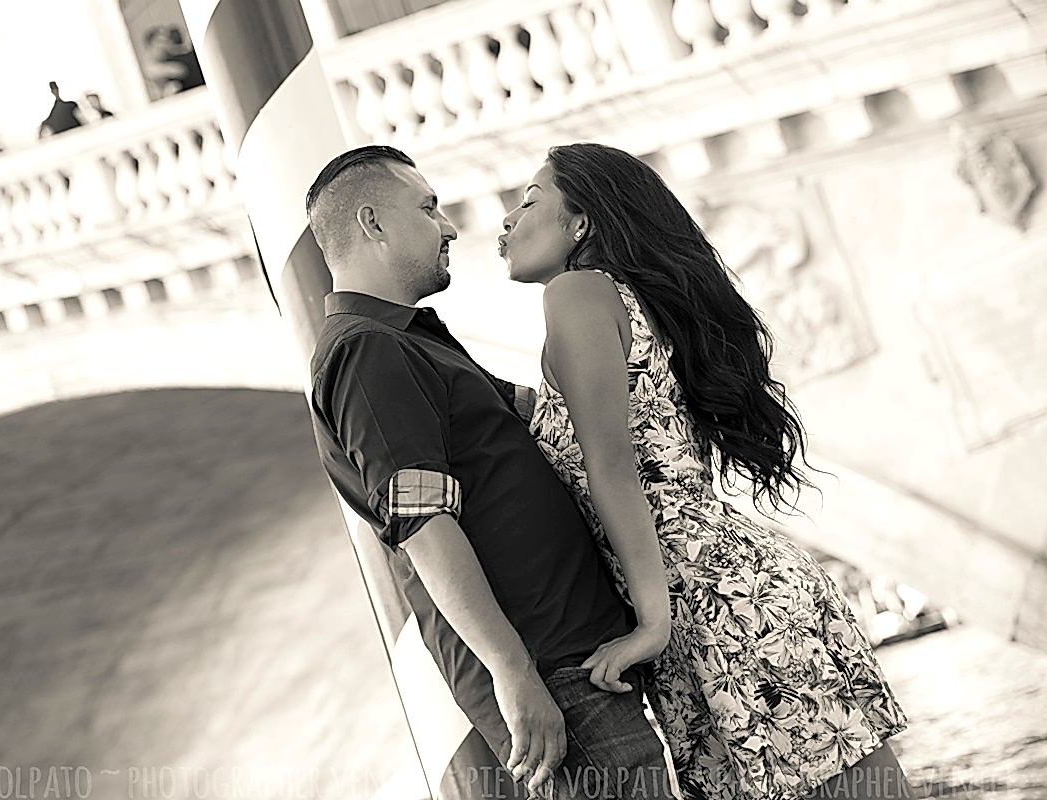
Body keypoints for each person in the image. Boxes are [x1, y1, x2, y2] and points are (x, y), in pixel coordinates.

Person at [499, 142, 911, 800]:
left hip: (704, 601)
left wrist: (653, 625)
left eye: (527, 202)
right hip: (730, 587)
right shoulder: (626, 302)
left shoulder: (577, 293)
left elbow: (614, 467)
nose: (506, 222)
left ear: (582, 224)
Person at [306, 145, 677, 800]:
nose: (449, 226)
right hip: (550, 671)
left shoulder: (411, 342)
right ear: (372, 223)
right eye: (428, 208)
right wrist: (513, 673)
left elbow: (556, 418)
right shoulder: (369, 352)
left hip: (573, 659)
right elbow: (423, 523)